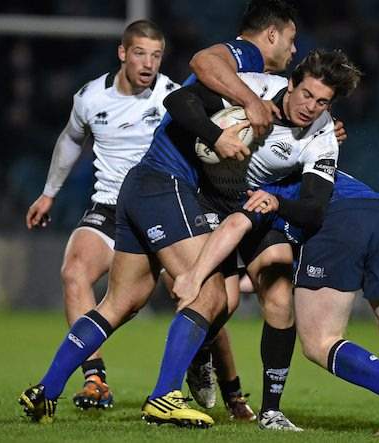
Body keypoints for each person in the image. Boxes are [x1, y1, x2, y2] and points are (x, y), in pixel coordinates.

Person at [18, 0, 304, 427]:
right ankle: (165, 395)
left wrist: (319, 126)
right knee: (206, 292)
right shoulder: (241, 57)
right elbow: (197, 73)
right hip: (164, 184)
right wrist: (219, 134)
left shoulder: (258, 80)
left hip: (140, 187)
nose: (294, 50)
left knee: (122, 302)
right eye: (292, 40)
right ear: (272, 34)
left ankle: (45, 389)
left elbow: (214, 99)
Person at [176, 170, 379, 438]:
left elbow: (234, 227)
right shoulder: (318, 164)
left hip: (339, 220)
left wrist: (195, 275)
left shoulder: (264, 184)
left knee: (319, 342)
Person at [167, 48, 361, 430]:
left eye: (323, 102)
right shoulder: (253, 88)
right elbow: (177, 99)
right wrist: (215, 134)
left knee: (278, 295)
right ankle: (187, 373)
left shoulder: (323, 138)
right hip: (202, 197)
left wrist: (275, 203)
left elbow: (314, 209)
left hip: (256, 203)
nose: (311, 107)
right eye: (306, 94)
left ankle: (271, 410)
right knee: (219, 301)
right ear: (290, 83)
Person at [24, 19, 178, 410]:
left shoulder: (172, 97)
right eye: (140, 53)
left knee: (195, 293)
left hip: (159, 211)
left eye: (156, 56)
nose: (148, 64)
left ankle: (217, 378)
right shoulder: (90, 97)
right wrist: (49, 194)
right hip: (109, 207)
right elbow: (71, 139)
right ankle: (94, 380)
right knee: (74, 272)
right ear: (122, 53)